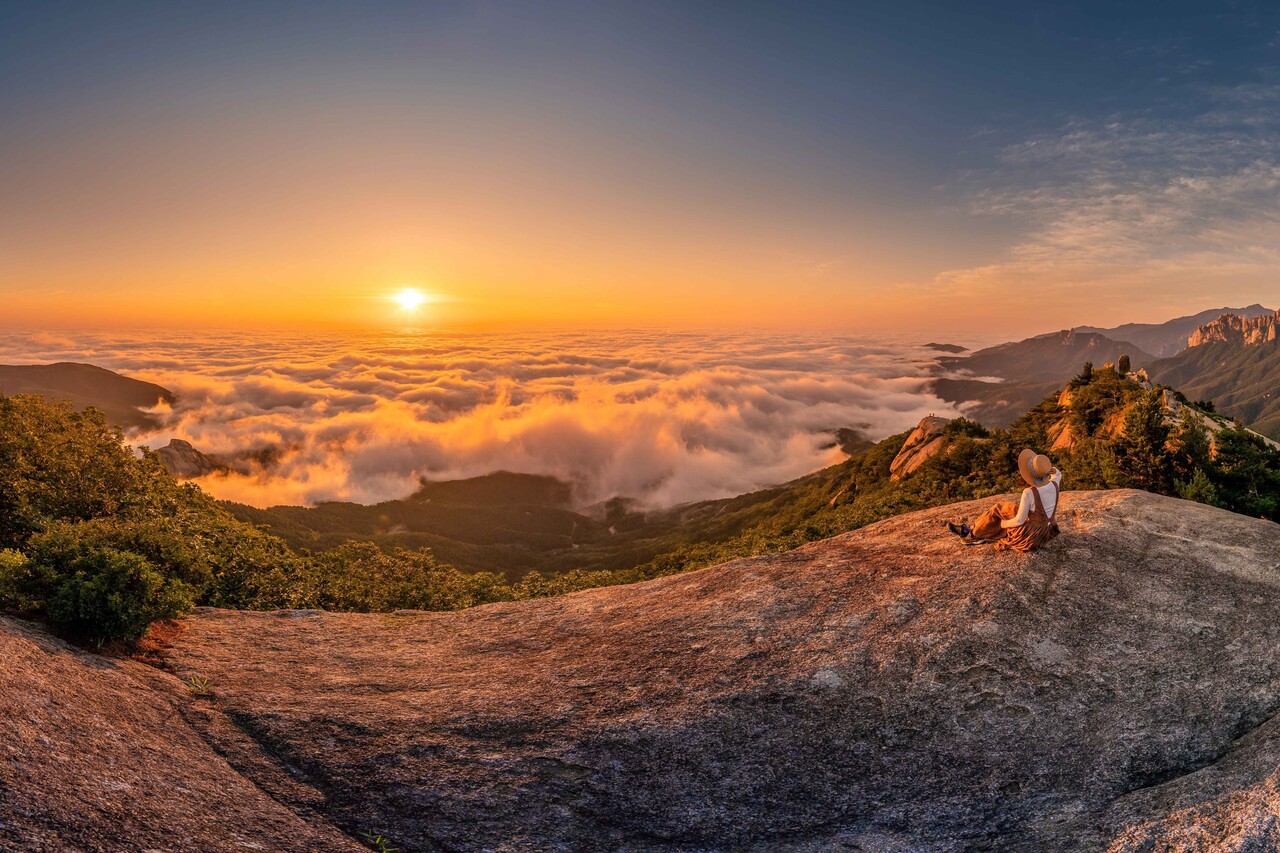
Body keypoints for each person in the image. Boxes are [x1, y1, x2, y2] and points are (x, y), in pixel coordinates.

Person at [947, 450, 1062, 552]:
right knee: (1008, 508)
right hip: (1046, 531)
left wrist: (1004, 523)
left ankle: (971, 535)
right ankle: (973, 528)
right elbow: (1058, 473)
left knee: (997, 511)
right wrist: (1046, 469)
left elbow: (1019, 521)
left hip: (1031, 535)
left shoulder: (1030, 492)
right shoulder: (1055, 483)